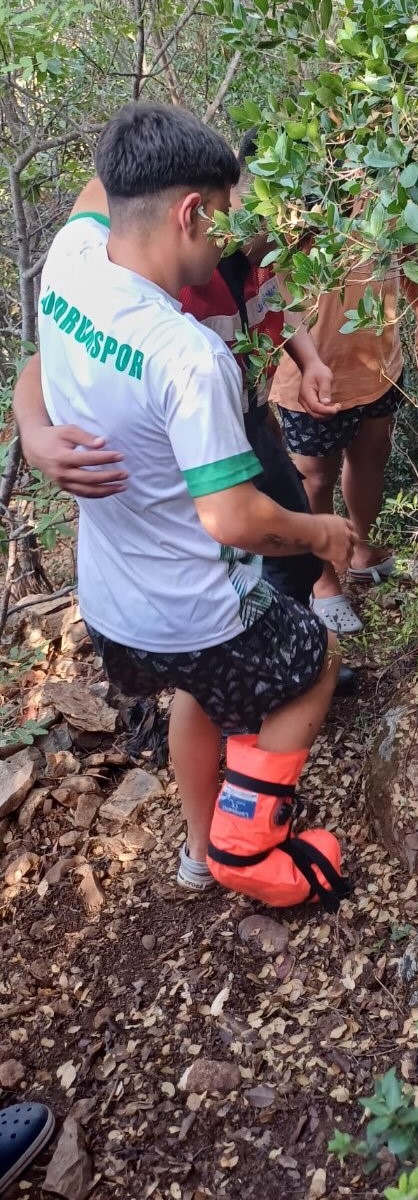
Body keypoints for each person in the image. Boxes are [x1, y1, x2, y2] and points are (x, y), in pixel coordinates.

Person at [26, 100, 357, 909]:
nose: (229, 237)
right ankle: (243, 843)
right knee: (314, 664)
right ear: (189, 213)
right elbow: (233, 519)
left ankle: (197, 850)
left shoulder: (71, 262)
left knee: (198, 692)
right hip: (194, 605)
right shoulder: (188, 353)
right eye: (224, 218)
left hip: (115, 610)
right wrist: (322, 530)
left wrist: (33, 432)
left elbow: (100, 187)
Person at [14, 132, 358, 694]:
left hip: (249, 427)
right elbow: (51, 354)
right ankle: (253, 682)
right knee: (248, 555)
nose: (282, 246)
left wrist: (310, 359)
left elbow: (272, 307)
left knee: (289, 565)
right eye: (273, 224)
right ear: (208, 208)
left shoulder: (251, 258)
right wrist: (33, 430)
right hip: (179, 481)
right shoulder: (165, 289)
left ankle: (277, 658)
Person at [270, 238, 418, 634]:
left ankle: (361, 551)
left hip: (379, 360)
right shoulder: (291, 196)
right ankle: (323, 581)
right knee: (314, 479)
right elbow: (268, 279)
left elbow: (408, 252)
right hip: (310, 371)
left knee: (372, 456)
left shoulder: (385, 180)